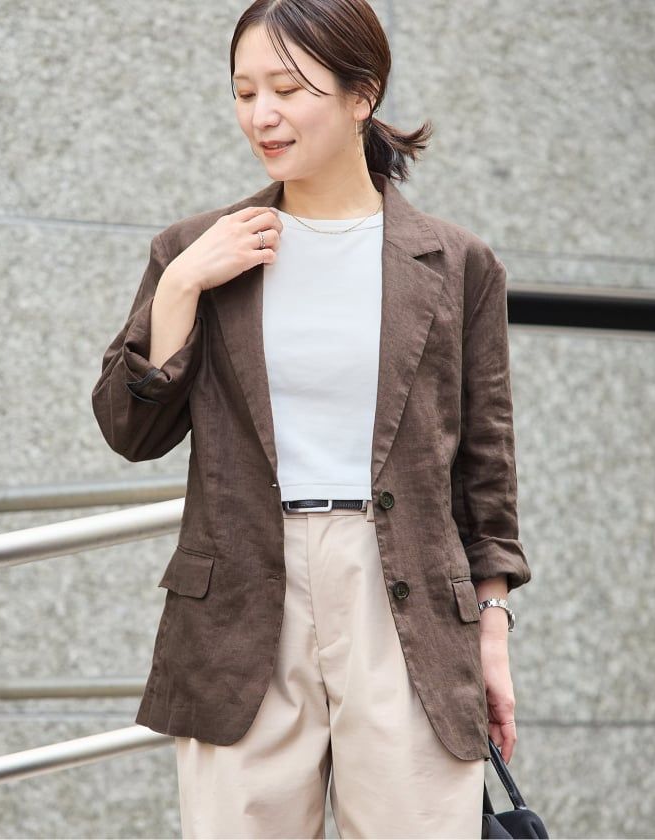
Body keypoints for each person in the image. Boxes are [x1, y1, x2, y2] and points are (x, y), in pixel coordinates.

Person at [91, 0, 532, 837]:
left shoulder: (457, 263)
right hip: (241, 599)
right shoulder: (198, 249)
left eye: (288, 89)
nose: (262, 114)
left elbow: (485, 471)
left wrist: (493, 633)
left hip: (403, 595)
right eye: (244, 91)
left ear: (362, 95)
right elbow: (130, 431)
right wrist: (181, 287)